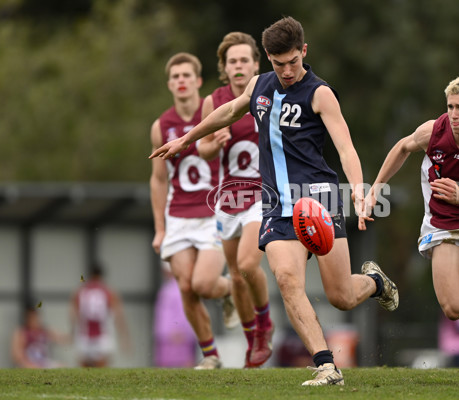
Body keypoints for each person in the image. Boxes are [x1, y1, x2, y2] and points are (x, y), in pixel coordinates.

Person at [150, 17, 399, 386]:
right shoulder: (260, 85)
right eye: (278, 63)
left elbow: (345, 148)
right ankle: (327, 366)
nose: (285, 71)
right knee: (285, 279)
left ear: (304, 51)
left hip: (320, 200)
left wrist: (359, 191)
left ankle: (375, 282)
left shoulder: (320, 93)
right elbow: (228, 112)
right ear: (267, 57)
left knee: (342, 296)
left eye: (292, 62)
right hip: (277, 206)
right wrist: (187, 139)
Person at [365, 76, 459, 384]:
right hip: (443, 222)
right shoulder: (434, 131)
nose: (453, 114)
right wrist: (376, 188)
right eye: (450, 106)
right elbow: (402, 147)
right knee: (454, 309)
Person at [150, 52, 240, 370]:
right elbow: (159, 180)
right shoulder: (162, 126)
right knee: (185, 286)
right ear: (169, 84)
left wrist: (215, 142)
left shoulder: (213, 112)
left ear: (198, 81)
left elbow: (215, 153)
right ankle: (211, 355)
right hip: (177, 217)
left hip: (212, 214)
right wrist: (160, 228)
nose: (181, 81)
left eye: (187, 75)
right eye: (175, 77)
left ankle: (230, 289)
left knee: (203, 284)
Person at [197, 32, 273, 368]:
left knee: (246, 264)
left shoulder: (268, 92)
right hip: (228, 196)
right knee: (236, 276)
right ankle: (252, 343)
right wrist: (216, 142)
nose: (239, 66)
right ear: (224, 68)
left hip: (262, 193)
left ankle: (265, 323)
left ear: (256, 64)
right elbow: (202, 147)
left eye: (245, 59)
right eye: (233, 61)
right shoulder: (214, 101)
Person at [70, 263, 131, 367]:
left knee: (83, 372)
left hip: (84, 335)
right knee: (102, 371)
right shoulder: (108, 291)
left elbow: (73, 314)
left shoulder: (80, 291)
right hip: (102, 336)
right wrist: (125, 338)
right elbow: (118, 315)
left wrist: (72, 334)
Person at [153, 263, 198, 368]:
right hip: (166, 335)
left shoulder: (179, 288)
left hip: (177, 335)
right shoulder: (168, 287)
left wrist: (180, 330)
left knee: (184, 362)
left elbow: (184, 311)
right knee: (165, 363)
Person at [11, 304, 69, 368]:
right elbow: (17, 355)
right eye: (31, 317)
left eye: (35, 316)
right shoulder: (22, 332)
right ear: (27, 318)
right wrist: (28, 364)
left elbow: (63, 338)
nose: (34, 319)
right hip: (29, 363)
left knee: (63, 367)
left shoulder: (44, 330)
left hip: (44, 362)